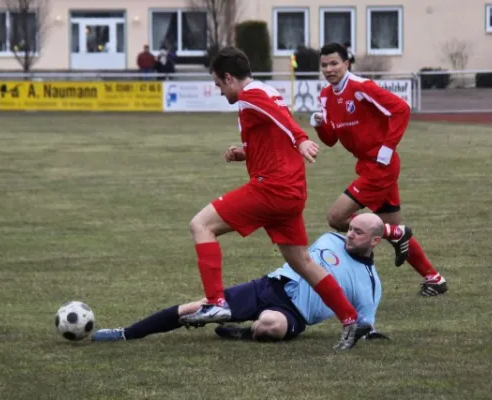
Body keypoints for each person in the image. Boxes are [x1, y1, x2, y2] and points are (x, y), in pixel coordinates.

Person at [178, 46, 369, 350]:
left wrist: (302, 138)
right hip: (290, 192)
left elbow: (282, 120)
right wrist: (245, 153)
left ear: (229, 78)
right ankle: (350, 319)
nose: (218, 91)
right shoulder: (265, 91)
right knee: (302, 262)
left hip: (272, 188)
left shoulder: (250, 95)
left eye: (218, 84)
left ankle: (215, 302)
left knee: (201, 225)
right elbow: (275, 129)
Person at [92, 214, 389, 344]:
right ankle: (124, 333)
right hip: (271, 285)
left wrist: (372, 335)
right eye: (350, 227)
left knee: (271, 325)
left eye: (358, 232)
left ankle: (246, 332)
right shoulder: (330, 238)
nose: (350, 233)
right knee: (197, 309)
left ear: (374, 242)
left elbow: (366, 323)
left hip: (294, 314)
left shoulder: (370, 282)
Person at [309, 42, 448, 297]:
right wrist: (319, 124)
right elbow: (330, 140)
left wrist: (387, 149)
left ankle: (395, 234)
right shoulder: (326, 96)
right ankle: (434, 278)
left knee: (336, 218)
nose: (329, 69)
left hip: (380, 167)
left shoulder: (362, 87)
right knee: (393, 230)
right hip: (367, 165)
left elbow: (401, 109)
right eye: (324, 65)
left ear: (346, 64)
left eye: (334, 63)